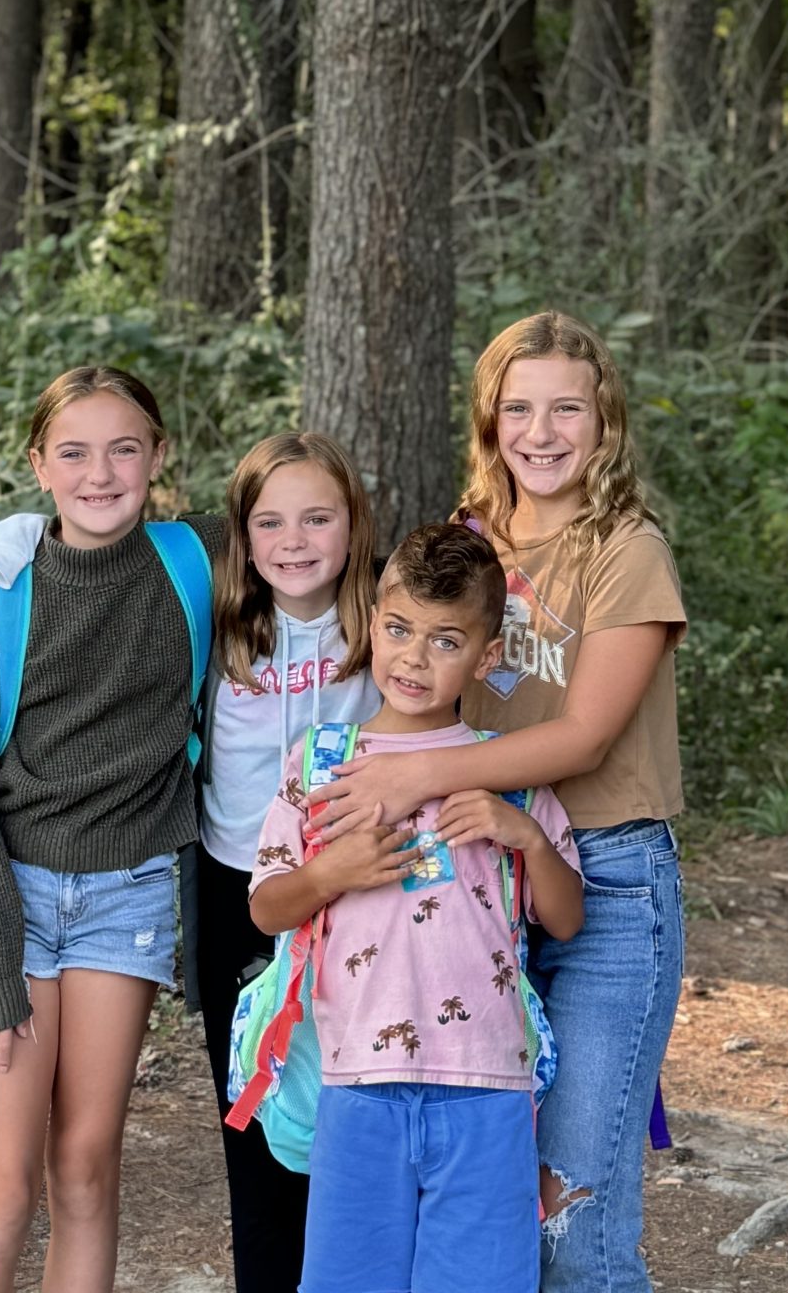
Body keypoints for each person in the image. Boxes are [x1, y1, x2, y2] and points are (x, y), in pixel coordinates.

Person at [323, 313, 686, 1293]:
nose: (542, 429)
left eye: (567, 405)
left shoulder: (626, 548)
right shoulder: (472, 542)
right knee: (499, 1218)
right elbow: (416, 680)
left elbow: (583, 738)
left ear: (603, 419)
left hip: (606, 886)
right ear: (490, 422)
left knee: (576, 1224)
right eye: (518, 407)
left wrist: (421, 778)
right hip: (479, 888)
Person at [0, 362, 224, 1293]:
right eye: (75, 453)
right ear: (40, 465)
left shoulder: (198, 562)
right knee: (3, 1185)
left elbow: (317, 535)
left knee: (86, 1166)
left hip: (126, 899)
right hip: (7, 900)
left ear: (159, 457)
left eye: (125, 449)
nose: (102, 473)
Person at [249, 522, 583, 1293]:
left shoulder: (509, 775)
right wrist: (333, 871)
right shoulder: (322, 763)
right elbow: (269, 908)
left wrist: (527, 836)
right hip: (356, 1080)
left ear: (486, 656)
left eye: (444, 641)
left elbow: (566, 921)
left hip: (488, 1085)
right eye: (399, 629)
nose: (412, 657)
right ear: (372, 622)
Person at [195, 430, 381, 1293]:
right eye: (270, 522)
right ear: (242, 535)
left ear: (353, 526)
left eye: (318, 518)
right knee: (257, 1114)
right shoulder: (218, 625)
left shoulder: (382, 627)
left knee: (349, 1104)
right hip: (235, 890)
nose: (295, 541)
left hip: (358, 893)